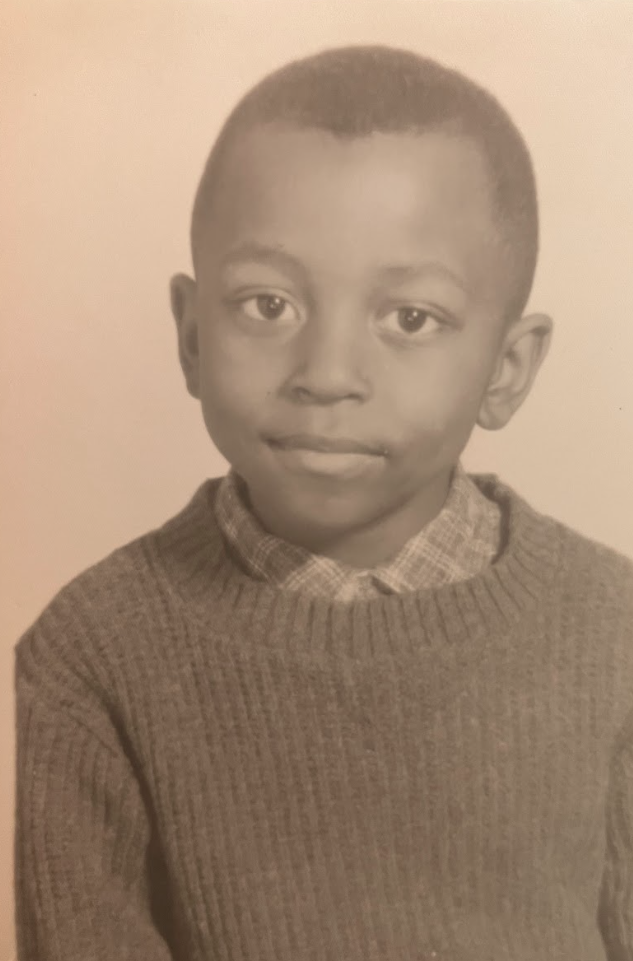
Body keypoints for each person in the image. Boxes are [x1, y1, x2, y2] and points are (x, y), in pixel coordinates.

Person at [14, 45, 633, 961]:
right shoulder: (89, 661)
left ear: (507, 368)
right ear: (190, 335)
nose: (327, 375)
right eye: (268, 305)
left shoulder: (612, 632)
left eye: (409, 319)